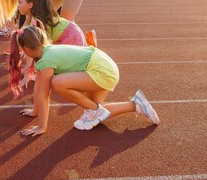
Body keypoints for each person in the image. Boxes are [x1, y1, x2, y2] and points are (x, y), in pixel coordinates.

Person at [9, 25, 159, 137]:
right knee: (95, 111)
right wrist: (35, 111)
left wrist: (42, 127)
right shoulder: (48, 52)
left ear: (27, 49)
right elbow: (39, 88)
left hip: (101, 71)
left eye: (22, 51)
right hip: (103, 66)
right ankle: (134, 104)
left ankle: (96, 110)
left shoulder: (47, 59)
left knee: (57, 83)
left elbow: (44, 94)